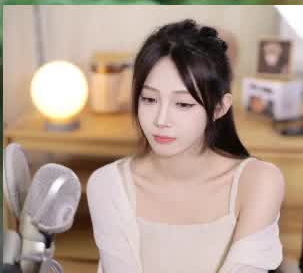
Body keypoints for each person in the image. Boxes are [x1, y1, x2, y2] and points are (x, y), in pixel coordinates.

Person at [85, 20, 286, 273]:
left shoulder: (259, 182)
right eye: (149, 99)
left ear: (219, 108)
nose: (161, 120)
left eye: (183, 104)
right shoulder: (109, 185)